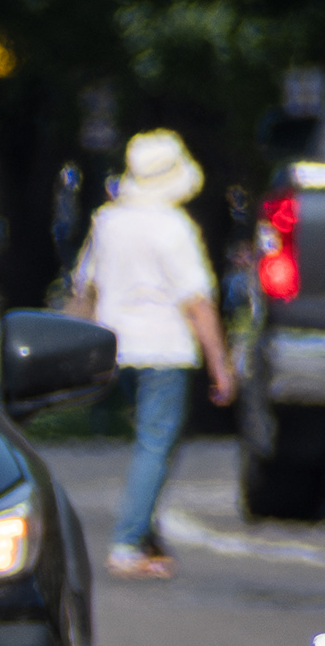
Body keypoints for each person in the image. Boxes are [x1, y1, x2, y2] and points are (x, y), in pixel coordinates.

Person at [69, 128, 236, 580]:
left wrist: (71, 346)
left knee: (145, 441)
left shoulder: (108, 221)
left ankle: (147, 535)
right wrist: (221, 363)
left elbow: (85, 287)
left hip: (115, 345)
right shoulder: (174, 227)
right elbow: (196, 301)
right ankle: (126, 542)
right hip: (164, 348)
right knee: (156, 444)